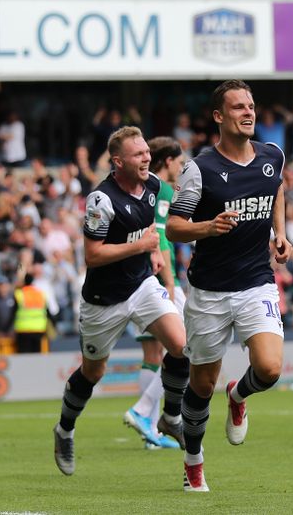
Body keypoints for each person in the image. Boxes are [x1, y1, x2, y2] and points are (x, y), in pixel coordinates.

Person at [167, 80, 292, 492]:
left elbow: (277, 190)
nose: (248, 112)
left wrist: (280, 233)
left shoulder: (272, 156)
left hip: (257, 281)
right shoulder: (199, 169)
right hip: (209, 292)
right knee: (201, 384)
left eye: (251, 105)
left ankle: (238, 396)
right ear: (219, 117)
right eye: (238, 107)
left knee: (270, 369)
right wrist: (209, 226)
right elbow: (174, 227)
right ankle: (193, 464)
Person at [52, 126, 190, 478]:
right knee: (92, 373)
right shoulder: (102, 200)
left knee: (182, 345)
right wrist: (141, 248)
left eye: (147, 152)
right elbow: (93, 255)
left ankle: (169, 417)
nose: (146, 158)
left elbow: (151, 233)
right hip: (103, 302)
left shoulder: (155, 187)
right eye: (138, 154)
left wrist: (156, 252)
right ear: (118, 162)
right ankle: (65, 429)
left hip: (141, 285)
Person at [122, 135, 185, 450]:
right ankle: (145, 412)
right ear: (169, 161)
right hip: (157, 280)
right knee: (188, 347)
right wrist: (171, 284)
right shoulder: (161, 188)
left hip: (138, 279)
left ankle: (151, 434)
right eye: (180, 161)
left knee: (152, 355)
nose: (182, 167)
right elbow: (159, 235)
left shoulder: (144, 187)